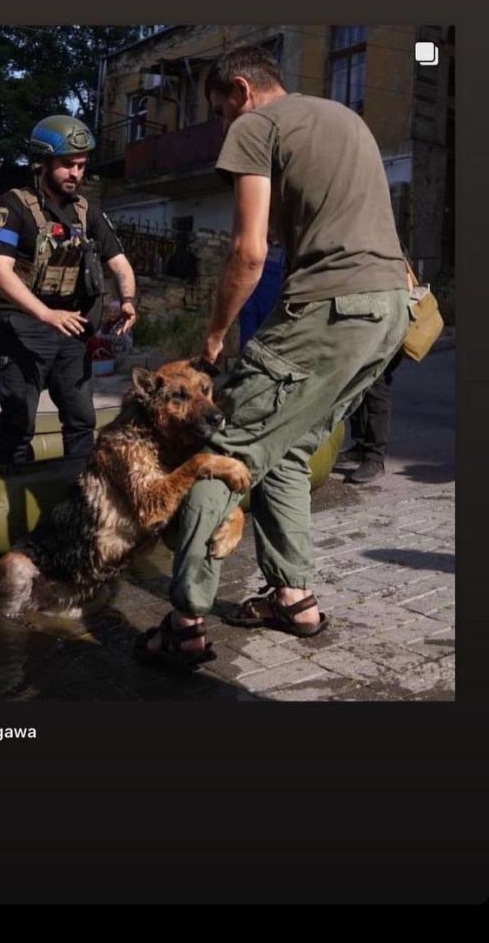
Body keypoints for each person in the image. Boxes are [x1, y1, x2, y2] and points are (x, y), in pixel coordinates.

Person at [138, 45, 410, 666]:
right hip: (390, 310)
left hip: (330, 307)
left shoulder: (259, 125)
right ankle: (294, 597)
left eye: (219, 108)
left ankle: (184, 622)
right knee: (284, 451)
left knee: (224, 451)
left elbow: (248, 251)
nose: (224, 123)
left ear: (241, 89)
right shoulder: (344, 118)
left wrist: (211, 339)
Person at [0, 114, 137, 469]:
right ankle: (10, 502)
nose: (76, 173)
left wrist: (128, 301)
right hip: (22, 326)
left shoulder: (87, 213)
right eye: (68, 164)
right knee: (18, 422)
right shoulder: (12, 206)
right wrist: (45, 314)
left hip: (71, 329)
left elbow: (120, 264)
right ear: (42, 162)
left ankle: (79, 499)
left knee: (82, 420)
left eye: (82, 166)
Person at [337, 349, 404, 483]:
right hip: (363, 335)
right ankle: (361, 447)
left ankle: (375, 458)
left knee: (376, 386)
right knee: (356, 384)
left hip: (386, 337)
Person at [238, 238, 286, 349]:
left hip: (273, 309)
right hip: (250, 302)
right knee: (247, 344)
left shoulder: (287, 253)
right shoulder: (254, 245)